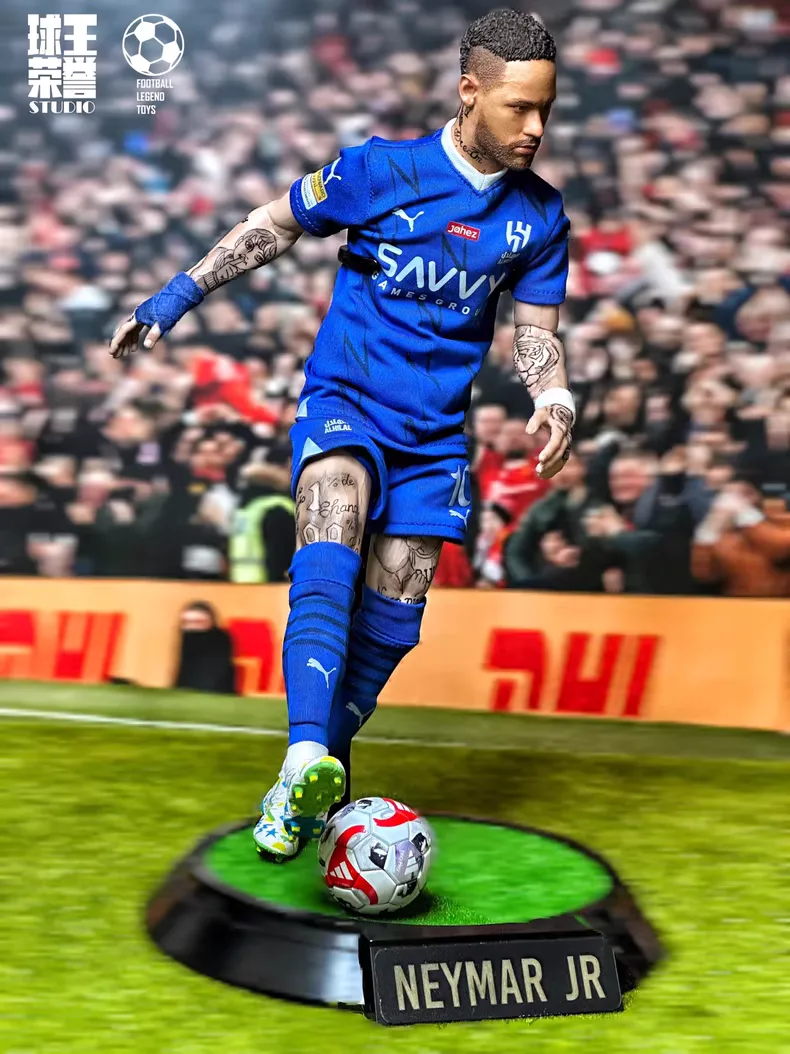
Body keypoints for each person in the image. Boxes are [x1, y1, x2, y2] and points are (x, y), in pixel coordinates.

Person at [109, 9, 575, 860]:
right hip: (347, 402)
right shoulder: (377, 170)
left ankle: (306, 775)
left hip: (436, 437)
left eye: (546, 108)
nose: (536, 127)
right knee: (332, 528)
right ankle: (303, 756)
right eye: (519, 107)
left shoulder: (540, 216)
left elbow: (535, 330)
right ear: (469, 91)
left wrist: (555, 397)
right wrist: (174, 298)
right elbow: (275, 223)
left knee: (394, 621)